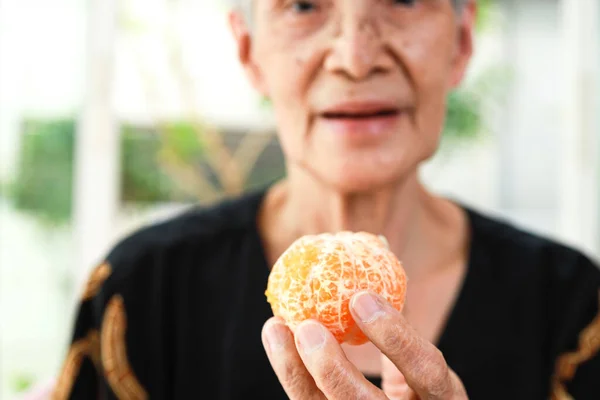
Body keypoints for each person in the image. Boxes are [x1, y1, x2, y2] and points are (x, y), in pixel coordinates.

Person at [53, 0, 600, 399]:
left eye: (403, 1)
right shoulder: (142, 289)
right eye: (303, 6)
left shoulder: (574, 306)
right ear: (250, 53)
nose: (356, 59)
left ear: (461, 44)